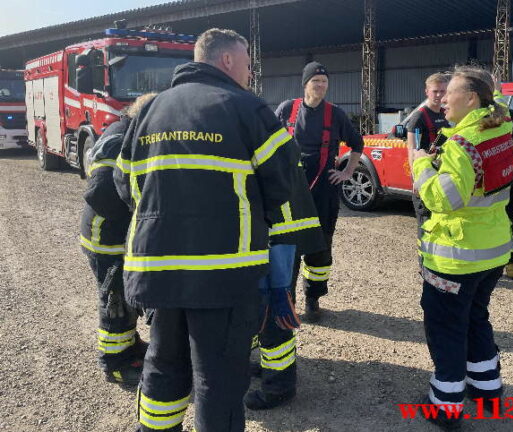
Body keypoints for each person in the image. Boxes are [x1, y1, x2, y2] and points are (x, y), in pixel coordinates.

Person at [114, 28, 294, 432]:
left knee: (163, 366)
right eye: (248, 61)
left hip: (159, 269)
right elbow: (282, 184)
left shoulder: (148, 111)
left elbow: (125, 185)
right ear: (227, 60)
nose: (250, 71)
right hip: (223, 274)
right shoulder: (247, 108)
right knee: (219, 380)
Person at [411, 67, 513, 430]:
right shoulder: (501, 125)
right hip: (493, 250)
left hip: (457, 256)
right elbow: (496, 97)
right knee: (475, 317)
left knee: (446, 328)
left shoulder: (462, 143)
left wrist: (420, 162)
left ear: (471, 98)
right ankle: (487, 390)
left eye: (449, 92)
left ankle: (445, 405)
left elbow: (445, 200)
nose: (441, 99)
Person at [274, 62, 364, 322]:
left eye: (324, 82)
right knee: (287, 247)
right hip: (290, 193)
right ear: (305, 84)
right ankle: (286, 299)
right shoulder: (286, 110)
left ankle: (313, 299)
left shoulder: (335, 114)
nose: (321, 86)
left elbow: (357, 144)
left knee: (320, 248)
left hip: (324, 192)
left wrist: (347, 173)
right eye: (316, 81)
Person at [80, 92, 155, 385]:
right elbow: (99, 192)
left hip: (114, 235)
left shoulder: (128, 130)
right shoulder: (118, 137)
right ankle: (115, 363)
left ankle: (130, 345)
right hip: (105, 236)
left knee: (124, 295)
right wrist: (133, 211)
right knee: (114, 299)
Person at [245, 141, 327, 410]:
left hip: (271, 239)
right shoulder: (264, 129)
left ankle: (279, 386)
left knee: (272, 314)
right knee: (264, 311)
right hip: (278, 236)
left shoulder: (248, 132)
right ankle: (269, 371)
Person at [406, 73, 450, 228]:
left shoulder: (446, 114)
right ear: (427, 92)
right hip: (425, 178)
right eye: (435, 91)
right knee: (426, 225)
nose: (439, 95)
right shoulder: (419, 117)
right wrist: (415, 180)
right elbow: (411, 149)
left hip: (441, 176)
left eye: (442, 91)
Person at [493, 76, 513, 279]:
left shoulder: (510, 114)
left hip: (505, 178)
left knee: (509, 221)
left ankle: (511, 262)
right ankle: (491, 262)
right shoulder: (476, 116)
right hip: (487, 179)